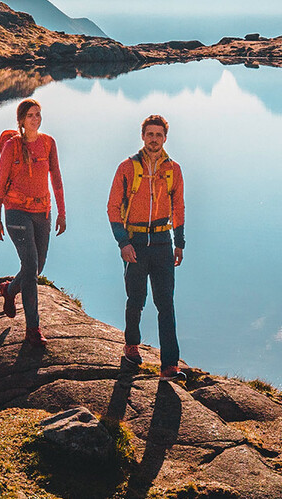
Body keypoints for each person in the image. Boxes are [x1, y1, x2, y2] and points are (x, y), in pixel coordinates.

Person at [107, 114, 185, 377]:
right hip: (136, 243)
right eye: (150, 134)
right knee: (136, 299)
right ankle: (131, 347)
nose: (154, 139)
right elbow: (113, 207)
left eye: (159, 135)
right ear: (143, 136)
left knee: (166, 303)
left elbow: (179, 207)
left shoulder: (173, 169)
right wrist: (123, 243)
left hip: (163, 242)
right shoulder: (127, 168)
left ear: (165, 138)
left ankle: (170, 365)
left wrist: (179, 243)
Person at [0, 98, 65, 344]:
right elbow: (0, 183)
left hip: (42, 211)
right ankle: (33, 329)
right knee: (31, 265)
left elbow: (56, 178)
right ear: (22, 120)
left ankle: (10, 290)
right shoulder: (12, 146)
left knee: (37, 267)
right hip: (16, 211)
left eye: (38, 115)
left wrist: (62, 212)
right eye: (31, 115)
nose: (36, 119)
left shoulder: (48, 143)